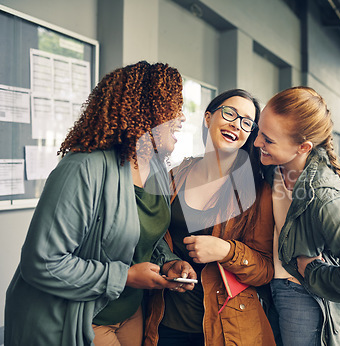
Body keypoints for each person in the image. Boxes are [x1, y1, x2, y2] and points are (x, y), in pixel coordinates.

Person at [4, 61, 196, 346]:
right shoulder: (83, 167)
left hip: (129, 311)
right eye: (172, 106)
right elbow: (42, 262)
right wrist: (126, 277)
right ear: (142, 110)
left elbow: (146, 238)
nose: (181, 117)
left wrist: (168, 263)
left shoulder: (154, 169)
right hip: (79, 316)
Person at [253, 86, 340, 346]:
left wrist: (315, 272)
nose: (257, 142)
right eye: (259, 131)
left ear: (303, 147)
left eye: (268, 139)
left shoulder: (323, 195)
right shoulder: (275, 167)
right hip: (268, 284)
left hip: (300, 296)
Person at [143, 89, 275, 346]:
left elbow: (266, 269)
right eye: (229, 113)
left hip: (226, 329)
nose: (236, 124)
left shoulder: (256, 191)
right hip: (164, 321)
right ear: (207, 117)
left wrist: (226, 251)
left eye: (246, 122)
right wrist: (170, 262)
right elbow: (151, 237)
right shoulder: (174, 176)